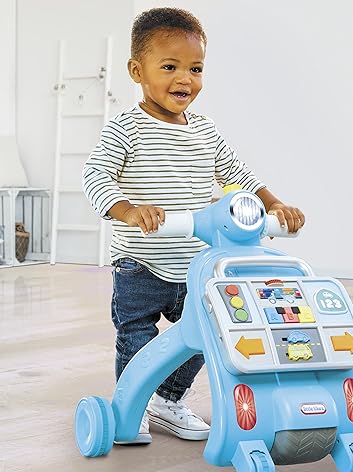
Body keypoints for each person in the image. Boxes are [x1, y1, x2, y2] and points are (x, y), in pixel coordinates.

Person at [83, 7, 305, 445]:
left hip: (198, 262)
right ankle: (132, 405)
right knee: (138, 337)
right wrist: (128, 210)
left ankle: (167, 399)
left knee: (209, 332)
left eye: (195, 68)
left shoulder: (205, 130)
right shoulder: (126, 128)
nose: (185, 79)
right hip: (141, 262)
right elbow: (96, 175)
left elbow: (237, 174)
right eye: (170, 67)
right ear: (137, 71)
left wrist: (275, 204)